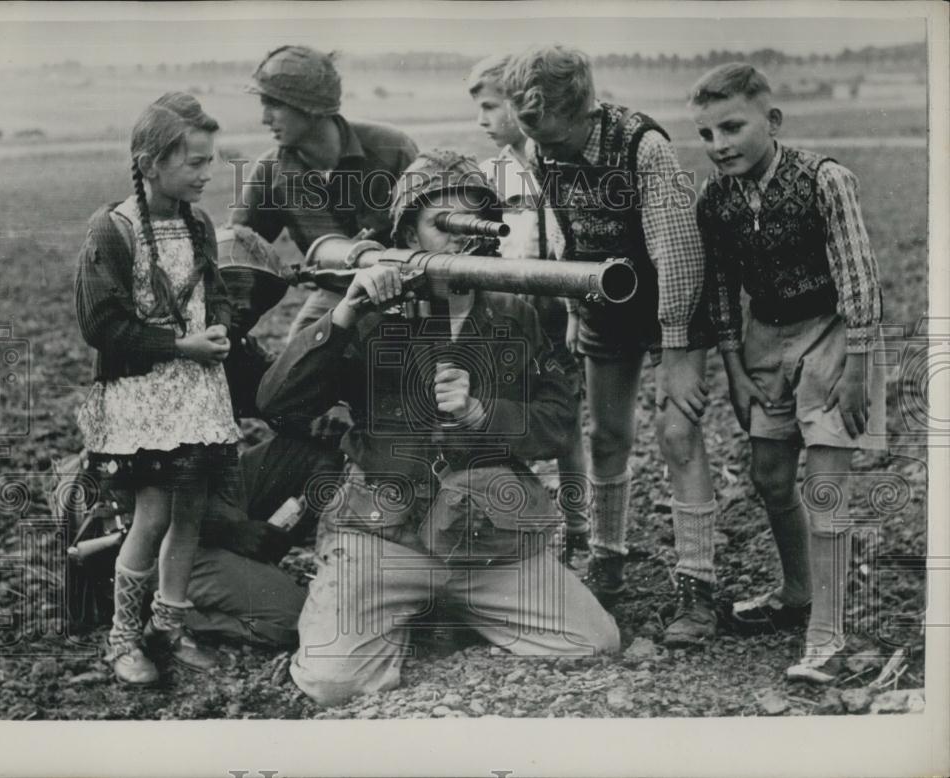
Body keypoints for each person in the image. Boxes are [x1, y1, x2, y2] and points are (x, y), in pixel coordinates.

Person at [257, 150, 621, 707]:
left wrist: (484, 415)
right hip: (385, 534)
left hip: (484, 536)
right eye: (442, 224)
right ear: (407, 232)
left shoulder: (514, 311)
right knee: (334, 683)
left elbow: (559, 422)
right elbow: (277, 402)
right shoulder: (366, 308)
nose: (460, 240)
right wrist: (347, 310)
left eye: (474, 224)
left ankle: (440, 614)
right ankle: (401, 609)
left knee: (591, 643)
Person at [503, 46, 721, 646]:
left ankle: (698, 589)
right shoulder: (540, 151)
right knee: (606, 436)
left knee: (677, 433)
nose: (537, 145)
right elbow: (564, 232)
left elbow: (679, 257)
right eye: (527, 130)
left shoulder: (642, 148)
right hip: (605, 298)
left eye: (543, 128)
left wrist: (677, 357)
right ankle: (608, 560)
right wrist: (576, 307)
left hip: (670, 298)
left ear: (580, 111)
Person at [690, 63, 886, 682]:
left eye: (732, 127)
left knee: (825, 487)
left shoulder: (825, 179)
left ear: (770, 121)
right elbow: (719, 289)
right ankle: (797, 591)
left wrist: (858, 368)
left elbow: (858, 276)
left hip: (833, 333)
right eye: (707, 134)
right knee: (770, 478)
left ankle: (828, 636)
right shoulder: (714, 200)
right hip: (764, 337)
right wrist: (734, 368)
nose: (719, 145)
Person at [74, 93, 240, 685]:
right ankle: (123, 638)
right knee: (153, 512)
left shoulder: (197, 225)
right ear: (149, 162)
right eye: (194, 162)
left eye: (209, 161)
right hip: (144, 398)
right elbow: (103, 327)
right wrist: (178, 346)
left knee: (190, 511)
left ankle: (169, 626)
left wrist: (220, 325)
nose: (206, 173)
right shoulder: (112, 229)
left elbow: (213, 294)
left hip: (196, 394)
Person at [468, 54, 592, 563]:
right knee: (512, 415)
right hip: (511, 314)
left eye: (491, 107)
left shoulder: (559, 165)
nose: (483, 120)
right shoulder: (489, 174)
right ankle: (517, 524)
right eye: (479, 109)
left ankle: (580, 527)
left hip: (557, 313)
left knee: (565, 420)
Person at [231, 45, 419, 342]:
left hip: (406, 290)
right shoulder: (270, 171)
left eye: (274, 104)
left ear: (311, 107)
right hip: (335, 295)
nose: (265, 118)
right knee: (297, 366)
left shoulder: (391, 150)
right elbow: (239, 245)